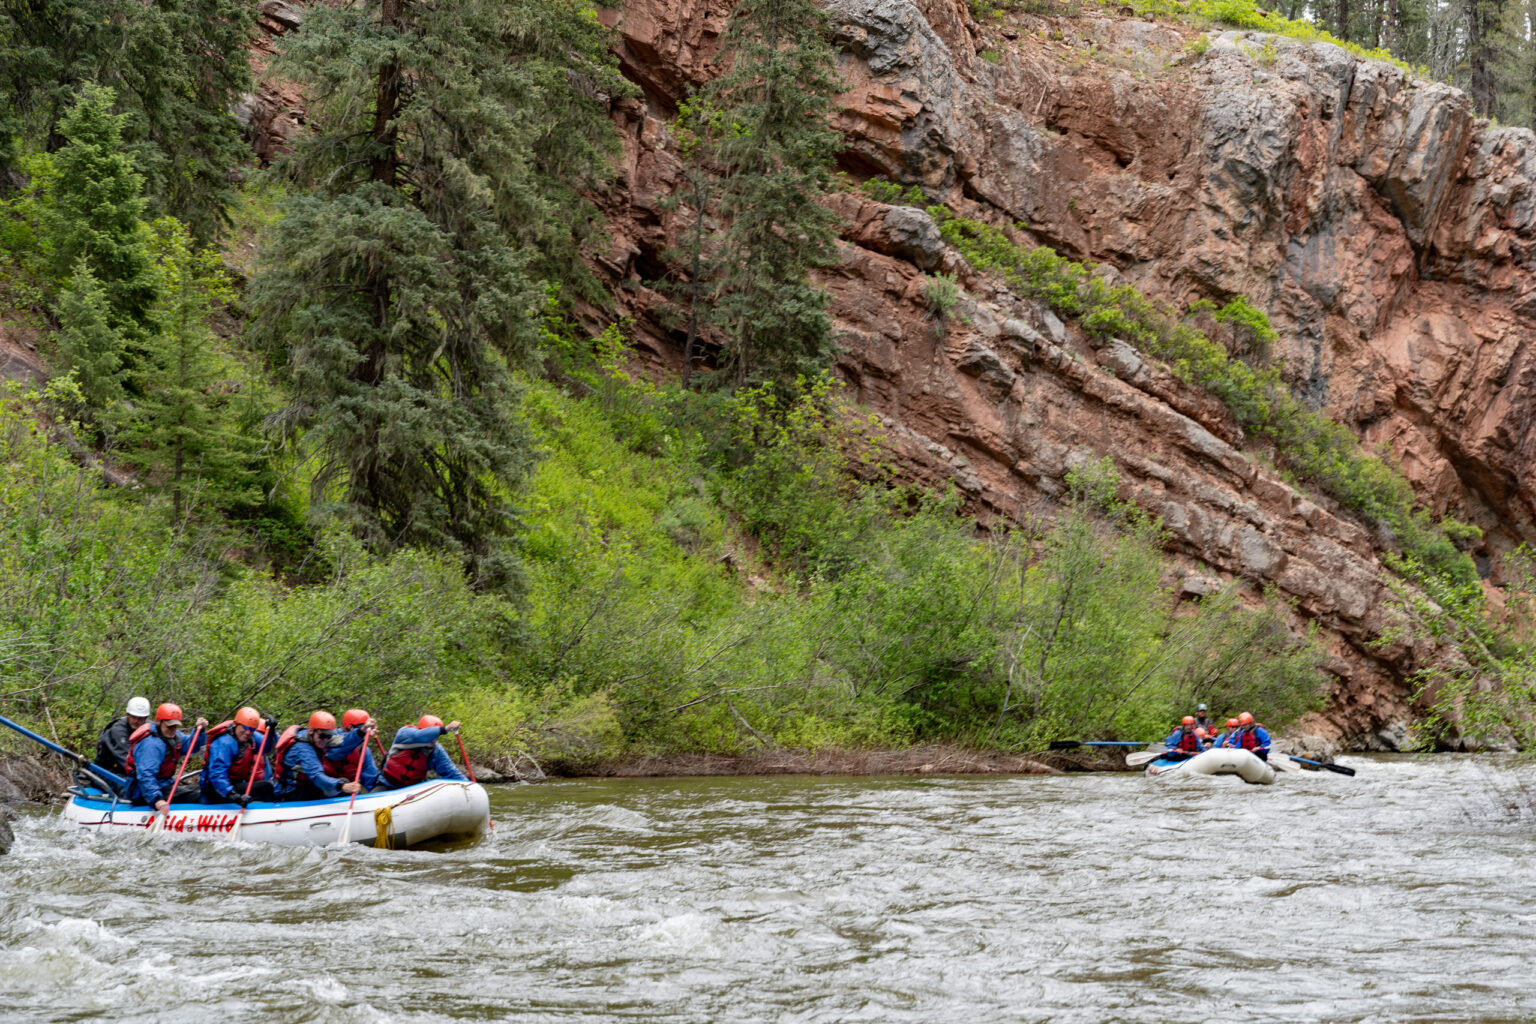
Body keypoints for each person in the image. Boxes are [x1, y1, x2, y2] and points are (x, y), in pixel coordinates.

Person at [125, 703, 210, 809]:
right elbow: (145, 776)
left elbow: (192, 747)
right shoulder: (151, 745)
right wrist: (157, 800)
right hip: (144, 793)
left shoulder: (175, 736)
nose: (172, 730)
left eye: (175, 726)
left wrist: (200, 731)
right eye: (169, 726)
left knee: (205, 791)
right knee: (200, 794)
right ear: (159, 722)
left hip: (164, 785)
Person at [272, 711, 366, 802]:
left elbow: (344, 741)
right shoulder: (301, 748)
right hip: (291, 791)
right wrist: (341, 785)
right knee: (341, 787)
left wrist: (361, 731)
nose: (325, 740)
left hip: (308, 785)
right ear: (311, 730)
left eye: (329, 736)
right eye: (323, 736)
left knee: (343, 783)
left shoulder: (318, 736)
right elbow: (316, 775)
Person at [200, 706, 275, 805]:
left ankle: (268, 813)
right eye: (245, 727)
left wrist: (271, 732)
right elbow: (217, 775)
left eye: (252, 729)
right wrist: (233, 796)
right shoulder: (224, 743)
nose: (248, 732)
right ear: (235, 724)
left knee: (267, 786)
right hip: (215, 789)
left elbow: (268, 748)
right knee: (266, 787)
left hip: (235, 785)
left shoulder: (251, 736)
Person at [377, 715, 468, 789]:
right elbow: (418, 736)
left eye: (436, 737)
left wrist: (470, 786)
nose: (433, 740)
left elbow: (451, 772)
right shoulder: (405, 734)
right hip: (386, 784)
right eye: (431, 736)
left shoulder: (436, 751)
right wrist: (445, 729)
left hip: (412, 790)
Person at [321, 709, 379, 792]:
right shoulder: (329, 738)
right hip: (327, 790)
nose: (366, 732)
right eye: (363, 728)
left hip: (350, 791)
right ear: (350, 727)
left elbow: (371, 777)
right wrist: (360, 734)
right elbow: (336, 754)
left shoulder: (363, 749)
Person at [93, 696, 151, 775]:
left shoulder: (150, 728)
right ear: (128, 715)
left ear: (145, 718)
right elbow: (126, 758)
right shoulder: (118, 730)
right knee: (135, 786)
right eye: (133, 717)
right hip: (107, 771)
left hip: (129, 770)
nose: (136, 721)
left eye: (140, 718)